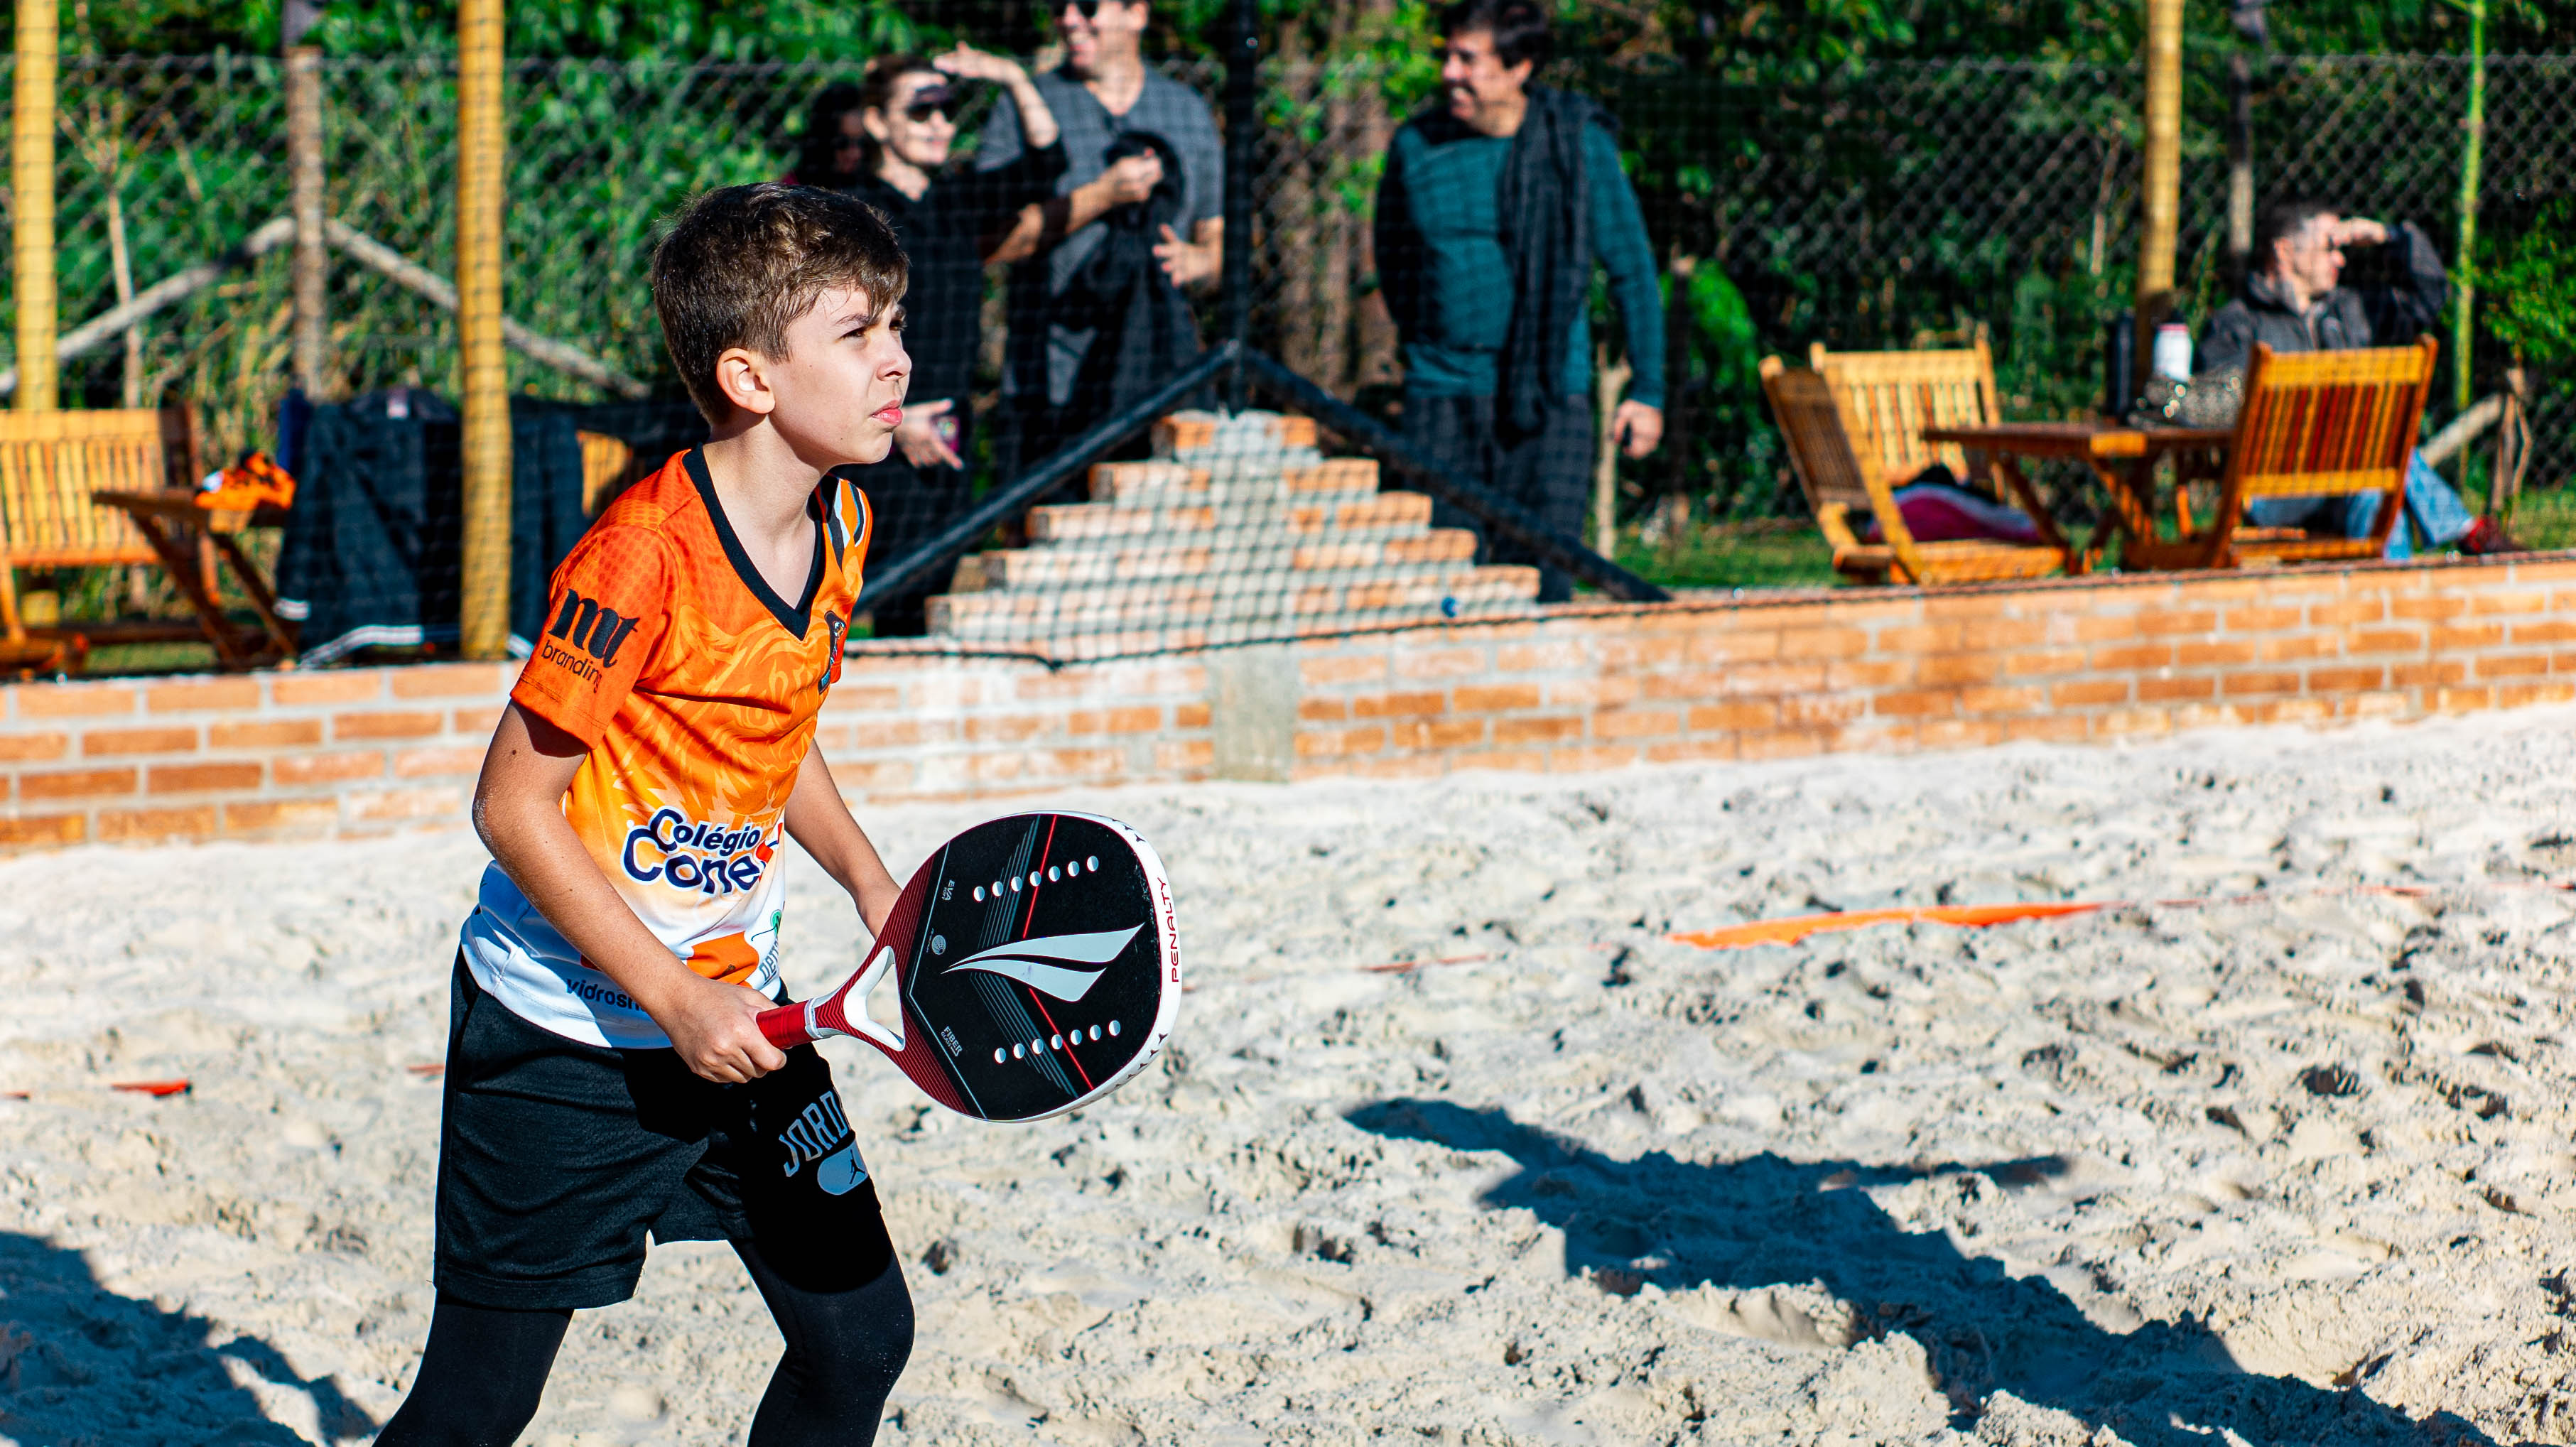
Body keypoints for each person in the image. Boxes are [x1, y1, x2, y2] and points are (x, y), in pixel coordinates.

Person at [373, 184, 916, 1447]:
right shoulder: (642, 552)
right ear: (751, 375)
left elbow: (773, 728)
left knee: (861, 1338)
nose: (895, 357)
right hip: (568, 1037)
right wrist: (671, 996)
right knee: (473, 1412)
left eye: (895, 322)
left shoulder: (841, 517)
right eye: (855, 332)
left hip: (749, 1018)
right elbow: (512, 804)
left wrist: (871, 882)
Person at [1372, 0, 1666, 602]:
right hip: (1443, 396)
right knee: (1444, 585)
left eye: (1468, 59)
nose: (1449, 72)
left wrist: (1649, 392)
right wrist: (1430, 343)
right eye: (1446, 56)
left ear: (1519, 67)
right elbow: (1394, 260)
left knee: (1542, 579)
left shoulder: (1575, 147)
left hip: (1549, 397)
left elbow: (1633, 271)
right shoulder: (1415, 147)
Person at [835, 50, 1069, 634]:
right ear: (878, 123)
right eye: (921, 110)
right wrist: (893, 418)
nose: (940, 123)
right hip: (880, 433)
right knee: (871, 601)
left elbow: (1048, 163)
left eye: (947, 109)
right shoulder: (850, 214)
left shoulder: (956, 202)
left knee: (929, 609)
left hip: (950, 432)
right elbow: (833, 333)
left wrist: (1014, 76)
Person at [976, 0, 1225, 482]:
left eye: (1088, 6)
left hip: (1158, 382)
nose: (1070, 19)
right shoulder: (1027, 106)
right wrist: (1102, 195)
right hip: (1049, 385)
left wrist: (1200, 261)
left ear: (1137, 14)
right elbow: (990, 243)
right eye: (1059, 7)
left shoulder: (1187, 111)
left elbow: (1219, 242)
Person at [2198, 197, 2518, 556]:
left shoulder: (2351, 312)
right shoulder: (2238, 324)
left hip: (2353, 477)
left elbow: (2429, 295)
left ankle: (2387, 599)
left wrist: (2389, 236)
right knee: (2382, 454)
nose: (2341, 259)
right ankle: (2466, 529)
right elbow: (2219, 403)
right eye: (2329, 248)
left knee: (2378, 490)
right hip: (2275, 492)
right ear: (2285, 252)